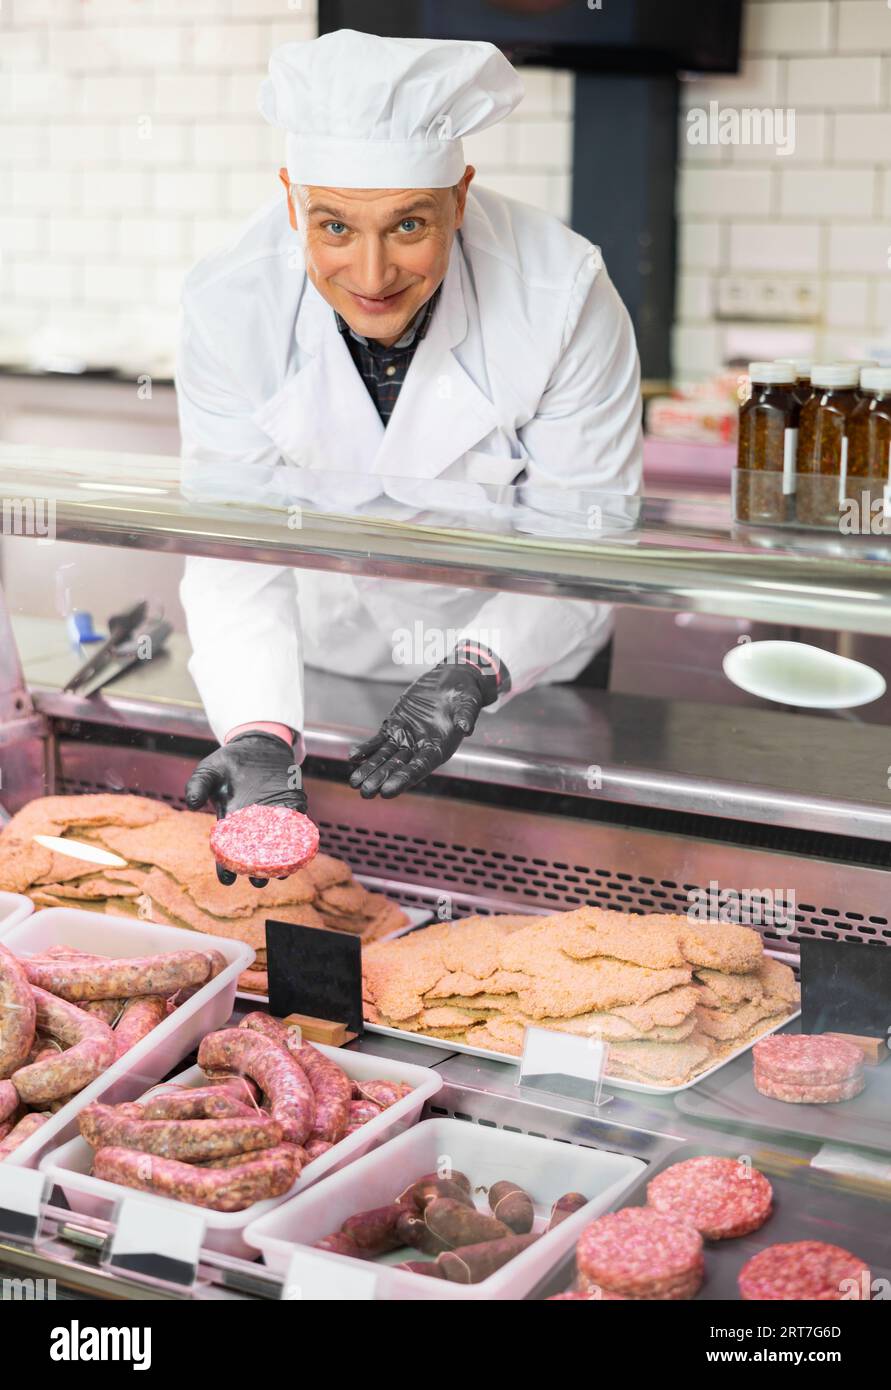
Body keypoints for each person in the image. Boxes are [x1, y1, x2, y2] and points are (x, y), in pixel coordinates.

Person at [177, 30, 642, 883]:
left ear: (459, 196)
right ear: (291, 200)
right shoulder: (228, 301)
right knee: (363, 889)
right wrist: (256, 726)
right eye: (334, 227)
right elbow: (230, 546)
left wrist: (474, 669)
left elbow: (588, 536)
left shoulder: (562, 290)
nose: (372, 270)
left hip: (523, 673)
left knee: (539, 879)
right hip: (320, 662)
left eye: (408, 224)